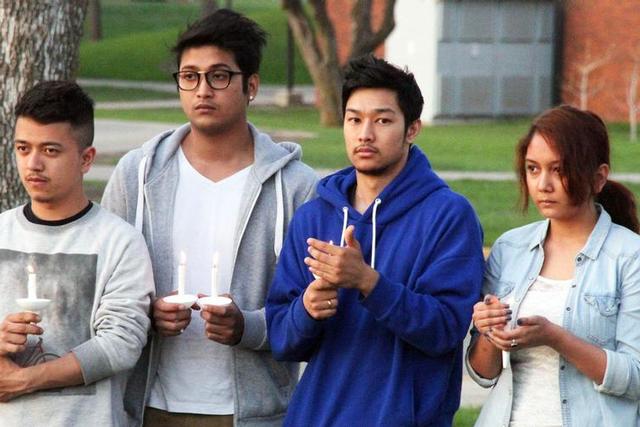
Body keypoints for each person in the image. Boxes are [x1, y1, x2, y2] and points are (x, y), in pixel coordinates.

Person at [101, 9, 317, 427]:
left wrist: (247, 327)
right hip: (148, 407)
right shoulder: (137, 174)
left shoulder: (296, 186)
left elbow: (311, 313)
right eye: (189, 76)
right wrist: (148, 316)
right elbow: (103, 286)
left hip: (254, 413)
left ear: (251, 85)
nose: (202, 90)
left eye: (219, 76)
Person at [266, 55, 485, 426]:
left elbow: (446, 330)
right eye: (354, 119)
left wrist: (368, 282)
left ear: (412, 129)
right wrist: (307, 309)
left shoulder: (449, 216)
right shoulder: (315, 216)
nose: (365, 133)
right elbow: (283, 342)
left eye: (382, 120)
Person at [466, 105, 640, 427]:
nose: (543, 184)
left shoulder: (630, 257)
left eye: (558, 170)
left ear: (598, 177)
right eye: (533, 169)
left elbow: (634, 378)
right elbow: (482, 374)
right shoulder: (510, 248)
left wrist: (556, 338)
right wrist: (490, 332)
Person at [0, 81, 154, 425]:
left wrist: (24, 380)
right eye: (23, 149)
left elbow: (121, 344)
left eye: (50, 151)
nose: (33, 164)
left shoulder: (120, 242)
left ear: (86, 159)